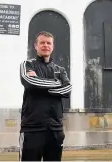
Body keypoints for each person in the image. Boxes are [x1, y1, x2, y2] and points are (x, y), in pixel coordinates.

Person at [19, 31, 72, 161]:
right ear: (35, 46)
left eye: (49, 43)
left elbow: (67, 89)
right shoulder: (27, 65)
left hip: (55, 129)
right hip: (32, 128)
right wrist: (56, 83)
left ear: (52, 47)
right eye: (42, 42)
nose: (45, 45)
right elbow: (30, 82)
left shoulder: (60, 70)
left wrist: (40, 85)